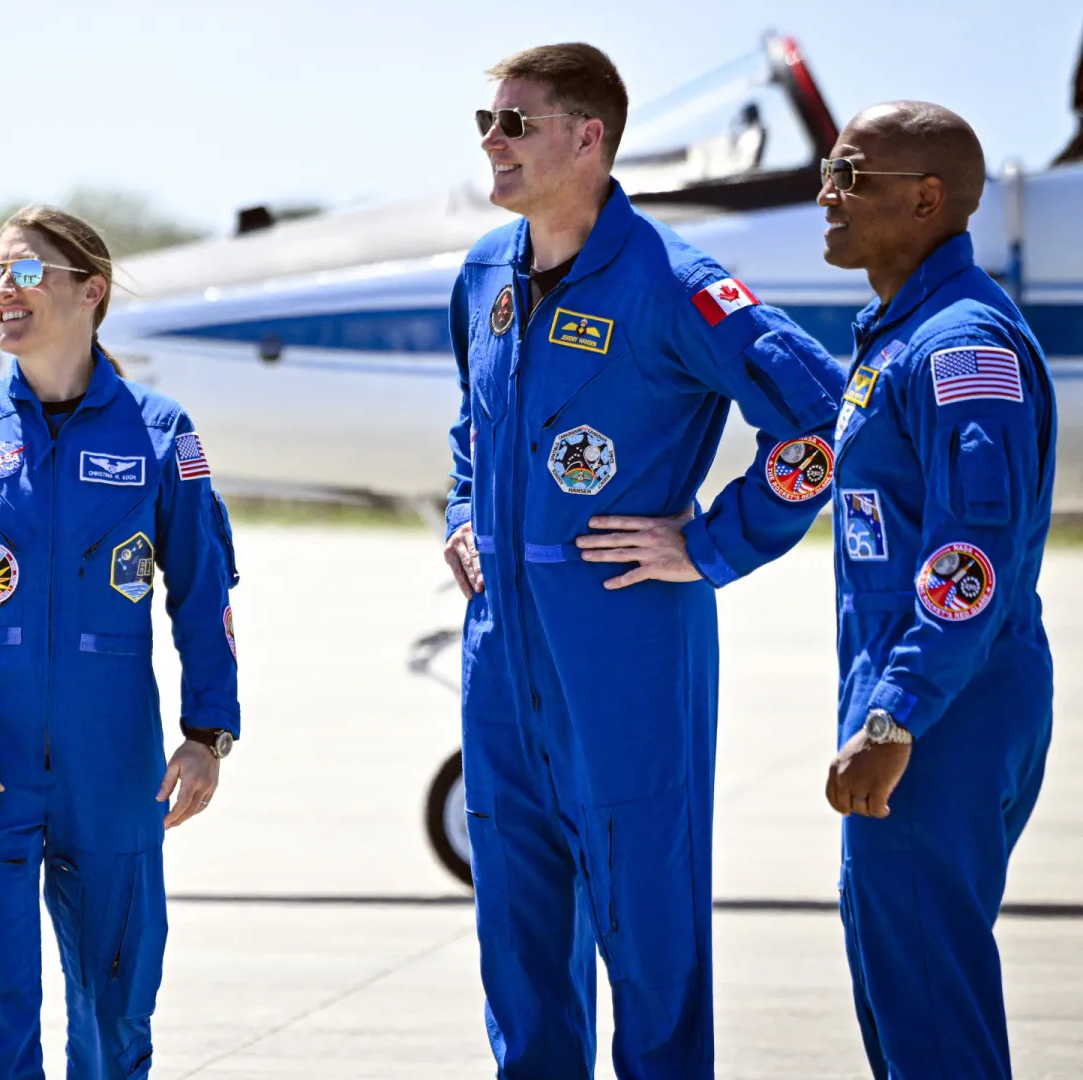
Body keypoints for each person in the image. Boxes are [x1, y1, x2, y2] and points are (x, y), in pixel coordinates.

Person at [440, 44, 848, 1078]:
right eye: (486, 123)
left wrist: (710, 543)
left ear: (590, 137)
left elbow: (820, 422)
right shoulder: (483, 274)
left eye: (516, 123)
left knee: (649, 929)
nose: (492, 143)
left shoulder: (679, 285)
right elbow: (473, 423)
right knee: (518, 930)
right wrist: (465, 510)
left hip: (627, 644)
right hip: (501, 652)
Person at [0, 205, 240, 1079]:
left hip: (114, 769)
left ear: (92, 291)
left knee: (115, 1011)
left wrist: (207, 735)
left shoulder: (162, 433)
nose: (2, 292)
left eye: (25, 273)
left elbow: (204, 593)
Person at [816, 101, 1054, 1080]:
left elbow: (972, 558)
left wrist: (896, 717)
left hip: (945, 706)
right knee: (904, 995)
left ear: (925, 199)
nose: (825, 196)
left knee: (928, 1012)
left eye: (848, 176)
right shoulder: (898, 335)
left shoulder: (960, 347)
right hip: (917, 694)